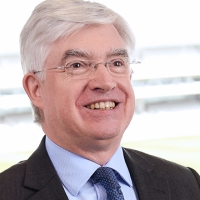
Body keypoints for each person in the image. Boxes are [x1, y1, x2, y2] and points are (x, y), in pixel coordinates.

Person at [0, 0, 199, 199]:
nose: (105, 82)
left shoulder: (186, 184)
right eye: (77, 65)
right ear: (36, 89)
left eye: (116, 63)